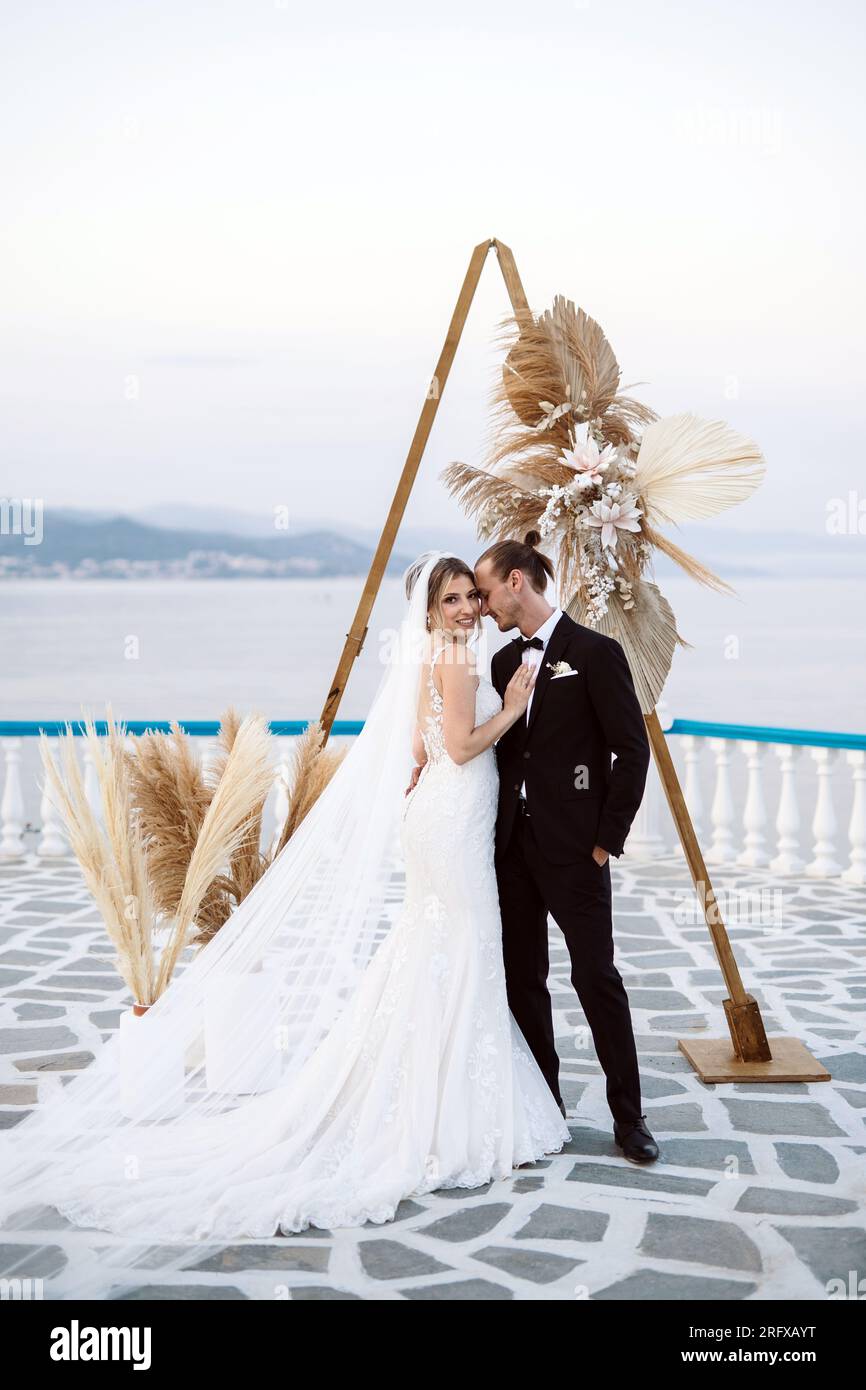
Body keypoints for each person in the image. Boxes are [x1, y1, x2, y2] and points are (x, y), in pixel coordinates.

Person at [0, 550, 570, 1299]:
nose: (467, 608)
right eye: (454, 599)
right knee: (459, 945)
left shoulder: (430, 658)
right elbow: (461, 746)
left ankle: (433, 1085)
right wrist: (516, 705)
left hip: (437, 812)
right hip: (453, 817)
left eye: (471, 596)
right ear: (430, 609)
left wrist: (458, 749)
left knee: (436, 946)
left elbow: (417, 750)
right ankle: (452, 1105)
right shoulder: (458, 663)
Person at [472, 531, 659, 1164]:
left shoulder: (596, 653)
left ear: (516, 582)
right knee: (525, 980)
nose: (481, 603)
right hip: (513, 851)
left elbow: (632, 751)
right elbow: (501, 753)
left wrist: (606, 840)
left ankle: (630, 1120)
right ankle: (545, 1111)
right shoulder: (502, 665)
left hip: (578, 851)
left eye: (486, 590)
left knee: (597, 978)